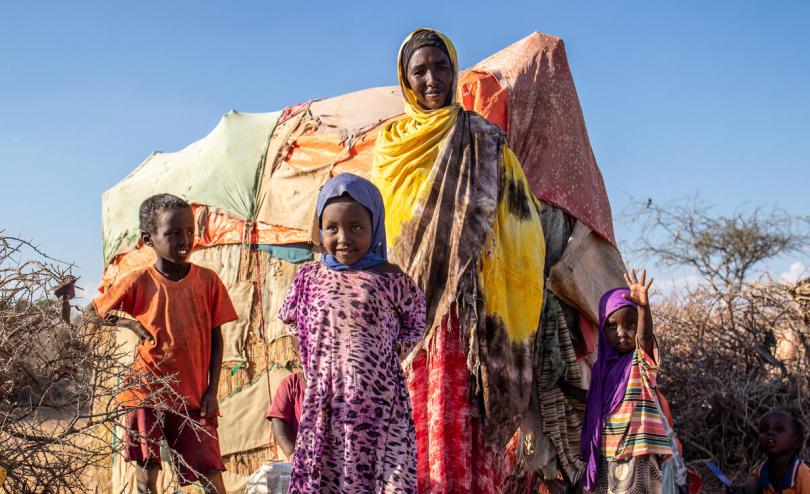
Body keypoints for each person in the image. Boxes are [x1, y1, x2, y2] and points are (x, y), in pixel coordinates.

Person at [371, 28, 546, 490]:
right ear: (406, 81)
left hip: (469, 321)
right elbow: (379, 239)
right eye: (420, 71)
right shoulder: (390, 149)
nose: (432, 79)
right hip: (407, 325)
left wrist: (487, 275)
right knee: (409, 433)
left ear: (455, 70)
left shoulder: (485, 140)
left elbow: (521, 224)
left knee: (463, 430)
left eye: (441, 66)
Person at [279, 173, 426, 493]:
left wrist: (379, 360)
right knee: (327, 479)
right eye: (332, 228)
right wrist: (314, 363)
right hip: (326, 406)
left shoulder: (390, 278)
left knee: (385, 479)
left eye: (356, 227)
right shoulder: (309, 278)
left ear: (375, 227)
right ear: (321, 229)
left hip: (380, 407)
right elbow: (291, 321)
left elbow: (416, 323)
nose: (343, 237)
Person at [90, 193, 237, 494]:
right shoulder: (139, 281)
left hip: (193, 397)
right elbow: (90, 314)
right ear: (148, 239)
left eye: (189, 232)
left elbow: (216, 337)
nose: (184, 240)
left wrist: (212, 389)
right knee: (148, 473)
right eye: (172, 233)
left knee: (211, 472)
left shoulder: (208, 282)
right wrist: (128, 323)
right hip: (146, 392)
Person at [579, 270, 688, 493]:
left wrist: (643, 309)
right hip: (607, 456)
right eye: (612, 325)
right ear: (602, 328)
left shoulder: (639, 363)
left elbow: (645, 339)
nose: (621, 332)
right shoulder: (601, 370)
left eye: (630, 325)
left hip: (639, 457)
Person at [733, 409, 809, 494]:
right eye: (764, 430)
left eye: (779, 429)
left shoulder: (803, 475)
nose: (770, 432)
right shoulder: (761, 470)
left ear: (796, 442)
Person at [266, 370, 306, 460]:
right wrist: (292, 454)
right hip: (301, 455)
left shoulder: (337, 383)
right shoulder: (291, 383)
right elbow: (278, 420)